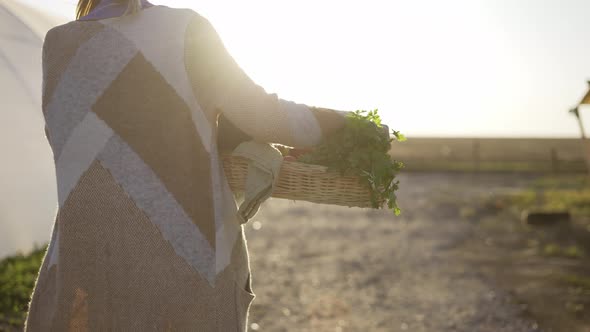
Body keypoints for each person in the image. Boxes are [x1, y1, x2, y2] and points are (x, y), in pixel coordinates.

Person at [23, 0, 354, 331]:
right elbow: (264, 116)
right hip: (184, 263)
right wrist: (346, 124)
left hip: (87, 273)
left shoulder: (58, 44)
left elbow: (71, 143)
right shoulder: (184, 30)